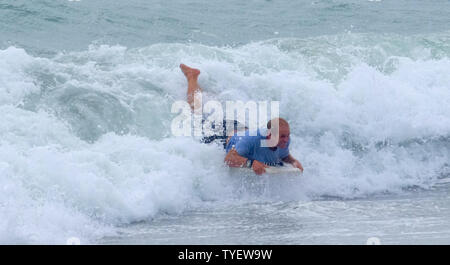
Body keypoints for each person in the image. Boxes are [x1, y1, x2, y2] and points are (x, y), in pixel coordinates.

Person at [180, 64, 304, 175]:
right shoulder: (252, 140)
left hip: (239, 129)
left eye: (287, 135)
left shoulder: (282, 141)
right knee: (198, 114)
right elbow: (229, 159)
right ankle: (192, 77)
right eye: (282, 136)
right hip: (223, 133)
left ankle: (208, 96)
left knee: (209, 111)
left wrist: (293, 161)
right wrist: (251, 163)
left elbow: (284, 155)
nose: (286, 140)